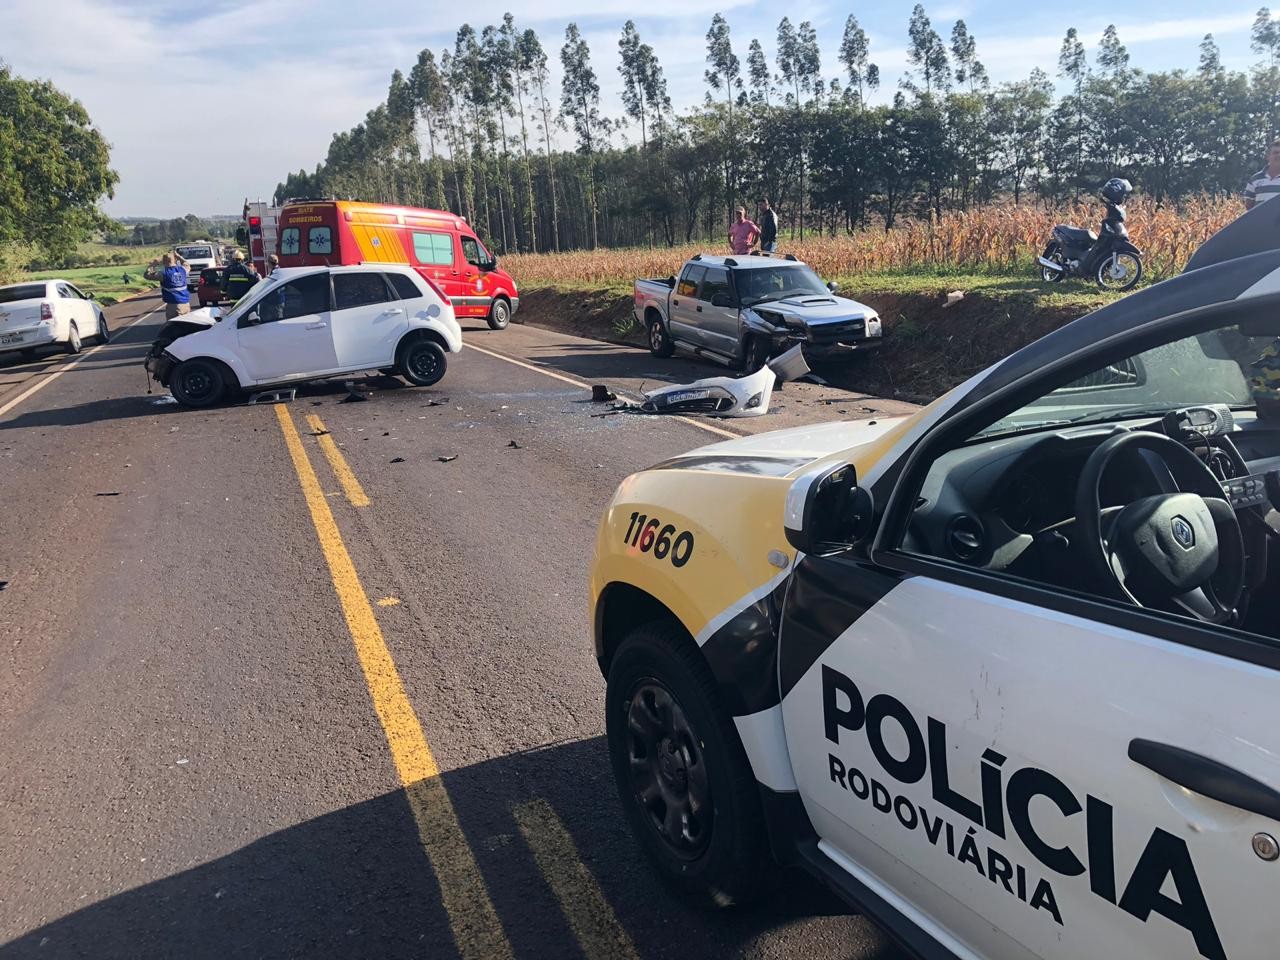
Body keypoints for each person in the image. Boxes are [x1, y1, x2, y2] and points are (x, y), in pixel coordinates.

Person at [1243, 140, 1280, 210]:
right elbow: (1249, 206)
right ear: (1268, 157)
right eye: (1276, 153)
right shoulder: (1254, 179)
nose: (1279, 155)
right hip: (1261, 220)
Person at [159, 253, 190, 319]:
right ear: (175, 260)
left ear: (164, 261)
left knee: (173, 327)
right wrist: (179, 257)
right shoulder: (183, 270)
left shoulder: (163, 273)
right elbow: (187, 264)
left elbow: (147, 275)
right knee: (187, 326)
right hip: (185, 304)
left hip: (173, 305)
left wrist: (153, 264)